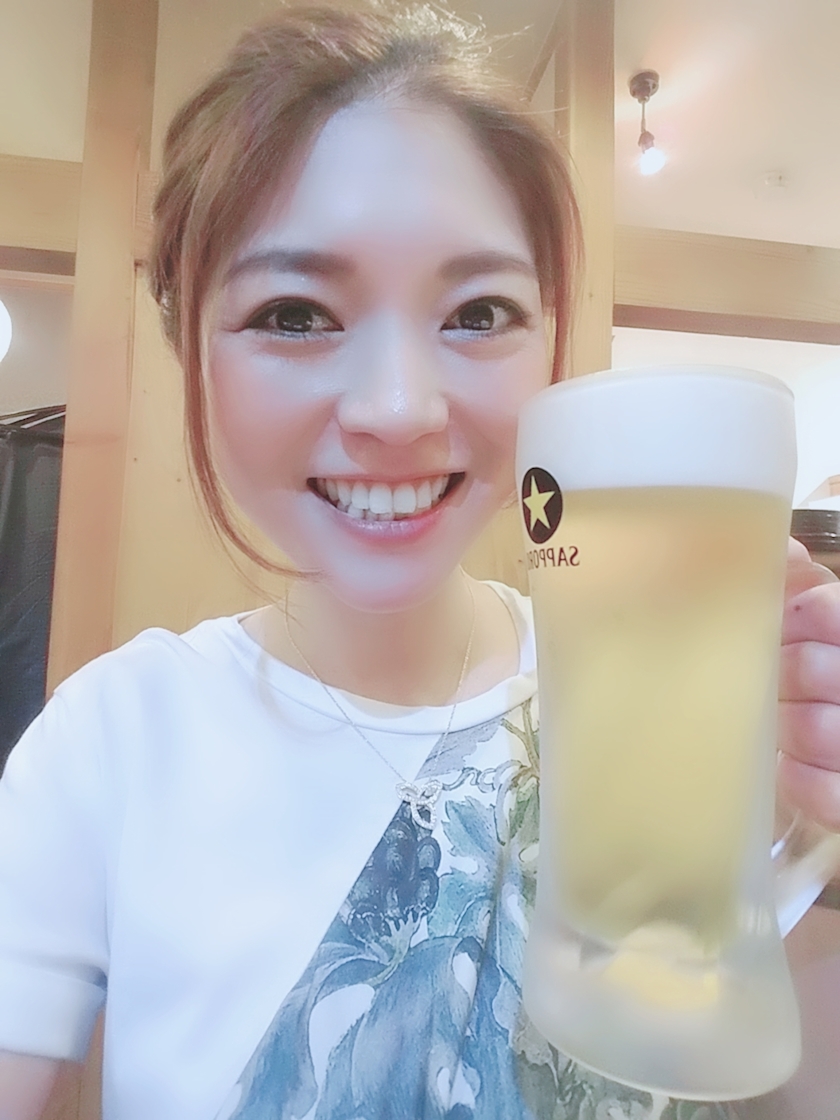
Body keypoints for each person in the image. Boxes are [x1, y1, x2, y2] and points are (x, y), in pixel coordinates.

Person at [1, 4, 839, 1119]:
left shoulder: (665, 710)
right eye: (294, 313)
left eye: (479, 311)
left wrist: (820, 835)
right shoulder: (110, 742)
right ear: (187, 346)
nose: (399, 410)